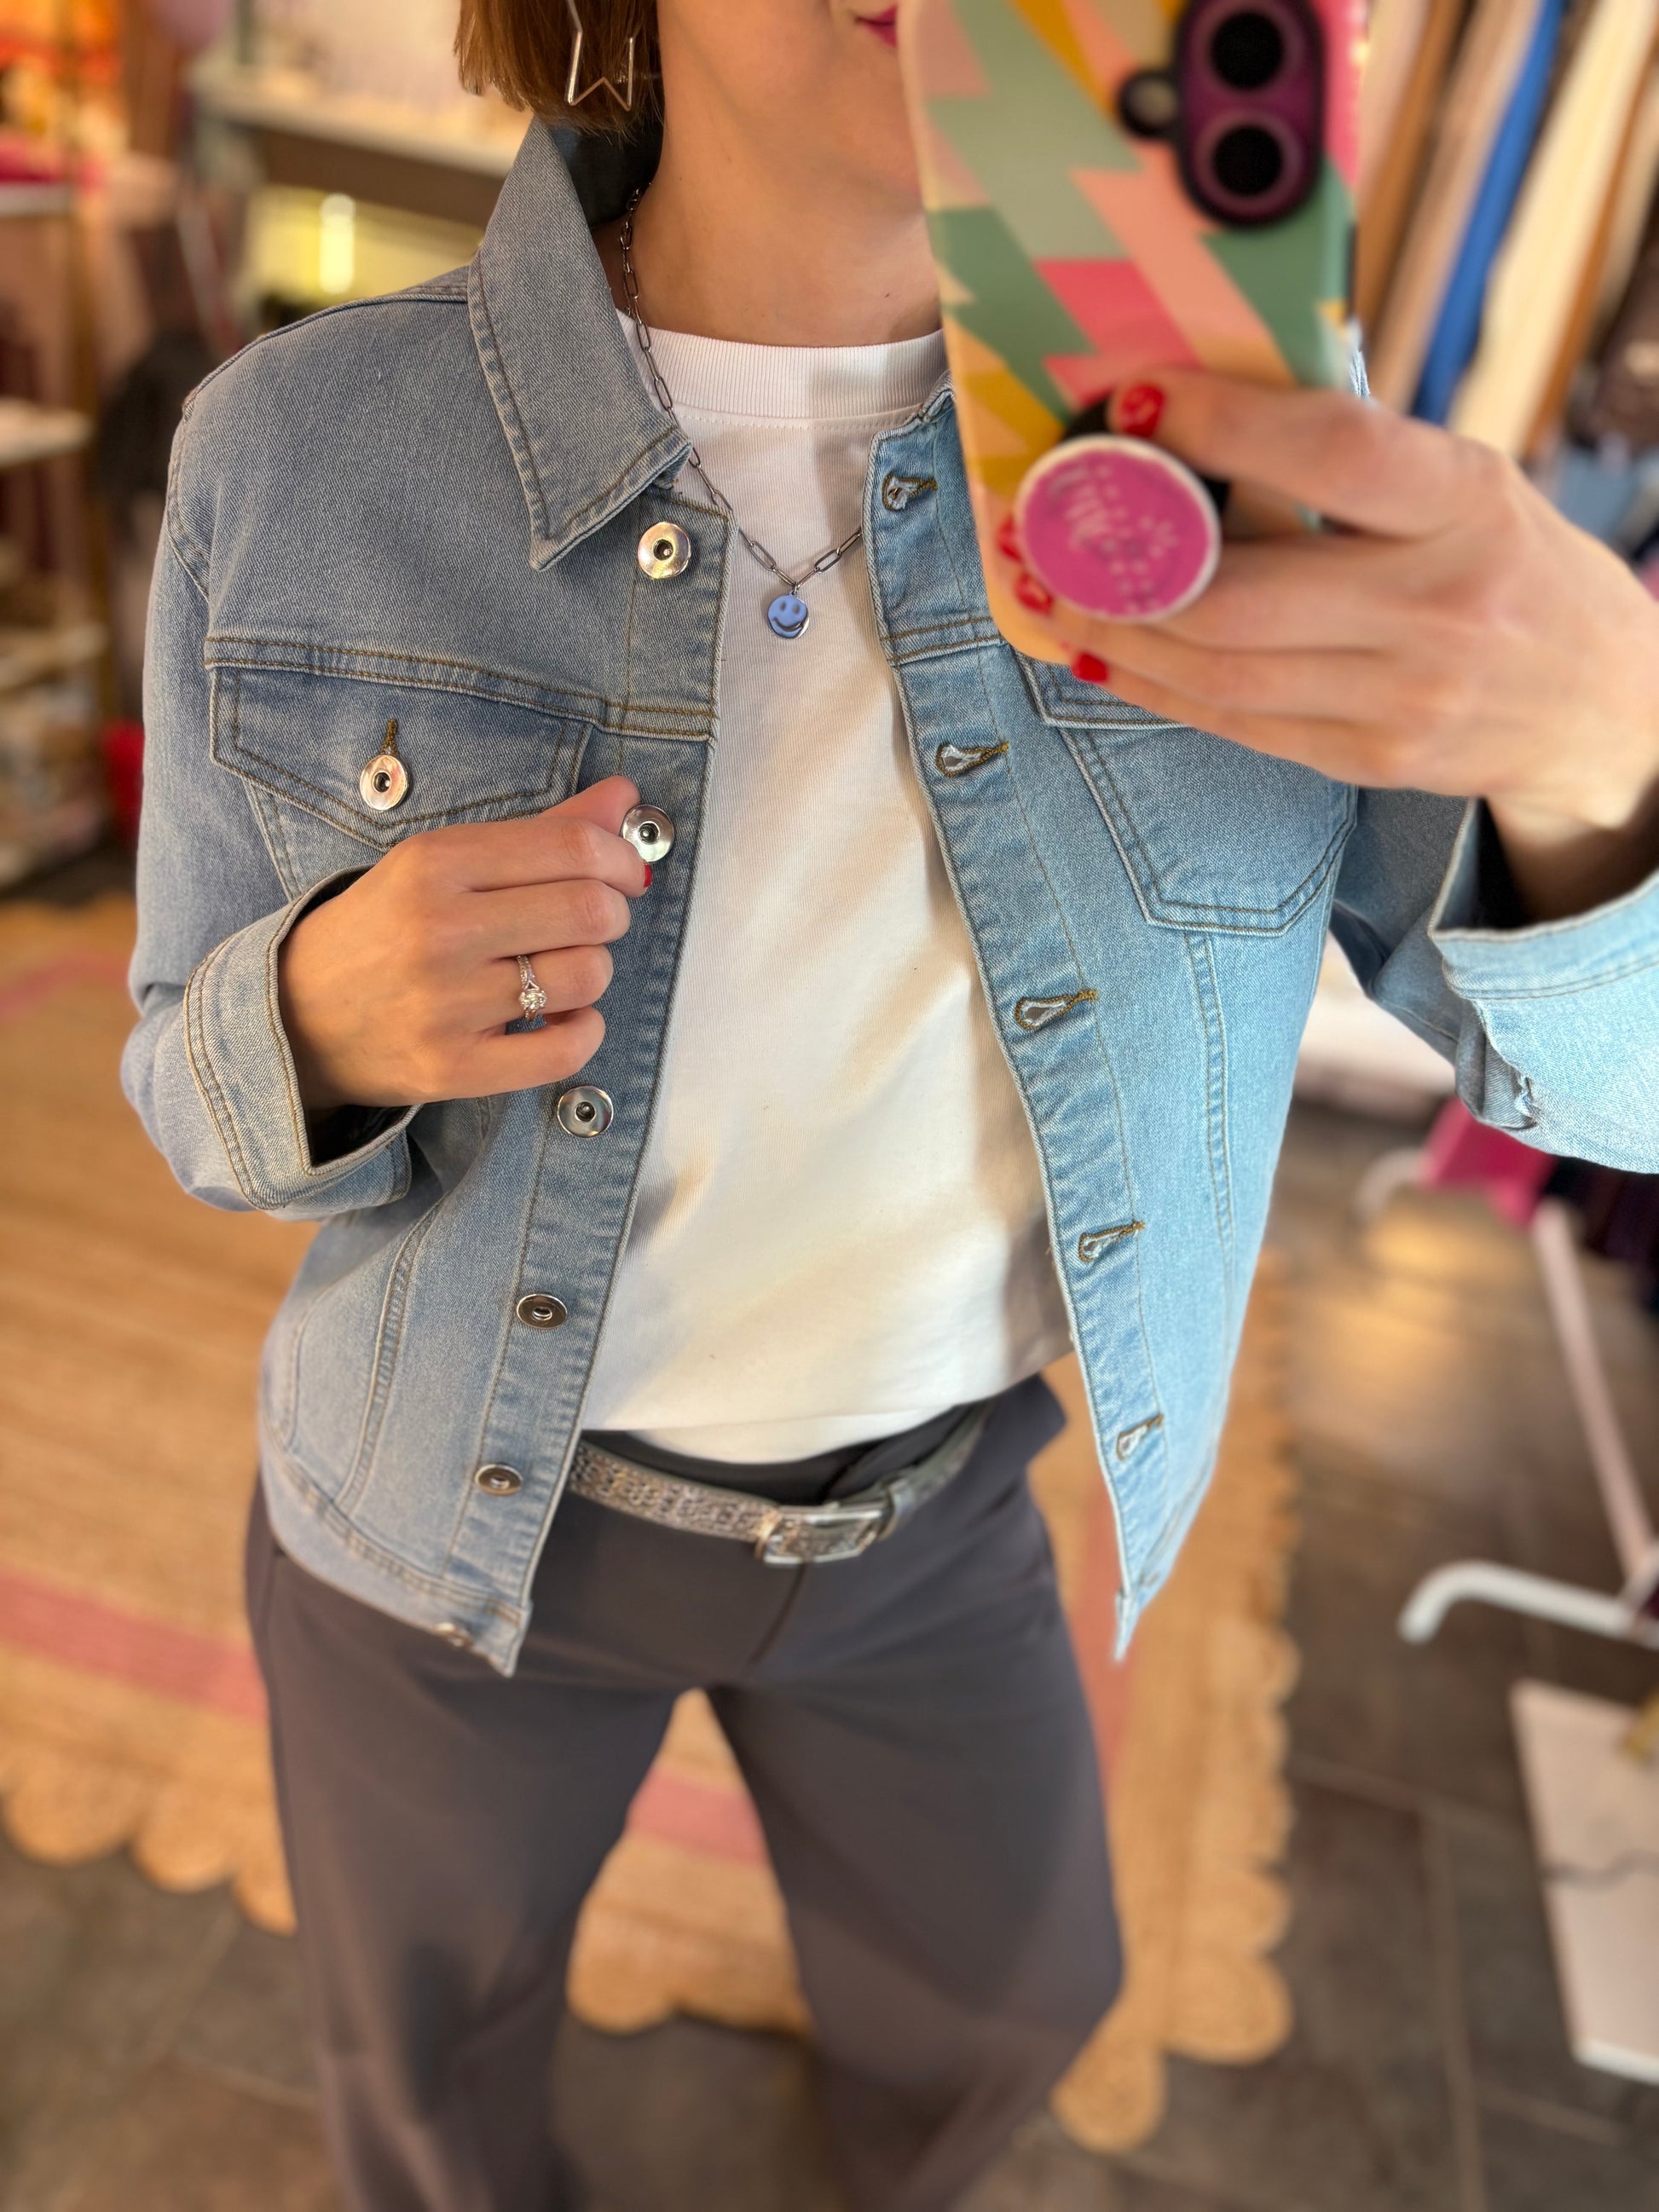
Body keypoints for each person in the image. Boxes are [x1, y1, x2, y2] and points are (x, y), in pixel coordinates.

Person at [123, 3, 1659, 2208]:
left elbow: (1614, 1090)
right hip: (433, 1528)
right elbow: (189, 1084)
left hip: (931, 1523)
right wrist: (321, 1015)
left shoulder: (1283, 488)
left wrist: (1612, 750)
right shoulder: (298, 452)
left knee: (1009, 1999)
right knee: (425, 2070)